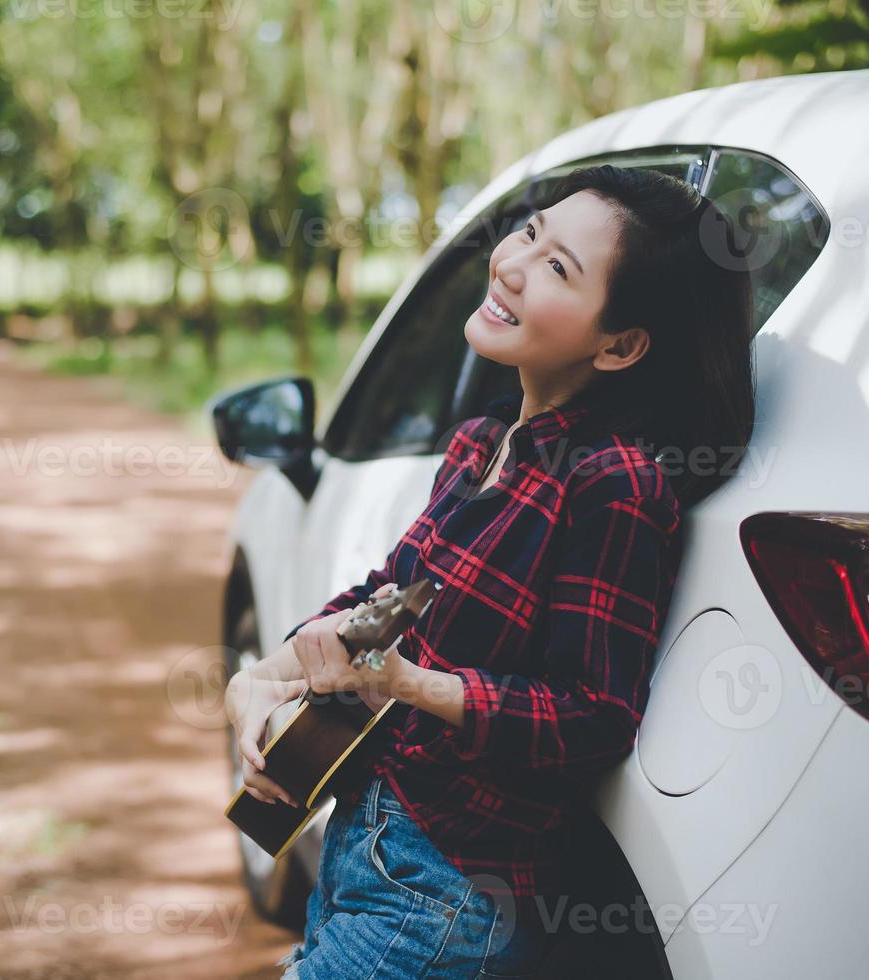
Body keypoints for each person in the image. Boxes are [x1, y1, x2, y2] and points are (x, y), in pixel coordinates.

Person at [223, 164, 757, 978]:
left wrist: (413, 685)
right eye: (533, 233)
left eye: (557, 269)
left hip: (441, 896)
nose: (512, 262)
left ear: (620, 344)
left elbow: (593, 716)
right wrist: (267, 673)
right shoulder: (482, 445)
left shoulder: (614, 485)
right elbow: (384, 600)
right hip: (363, 851)